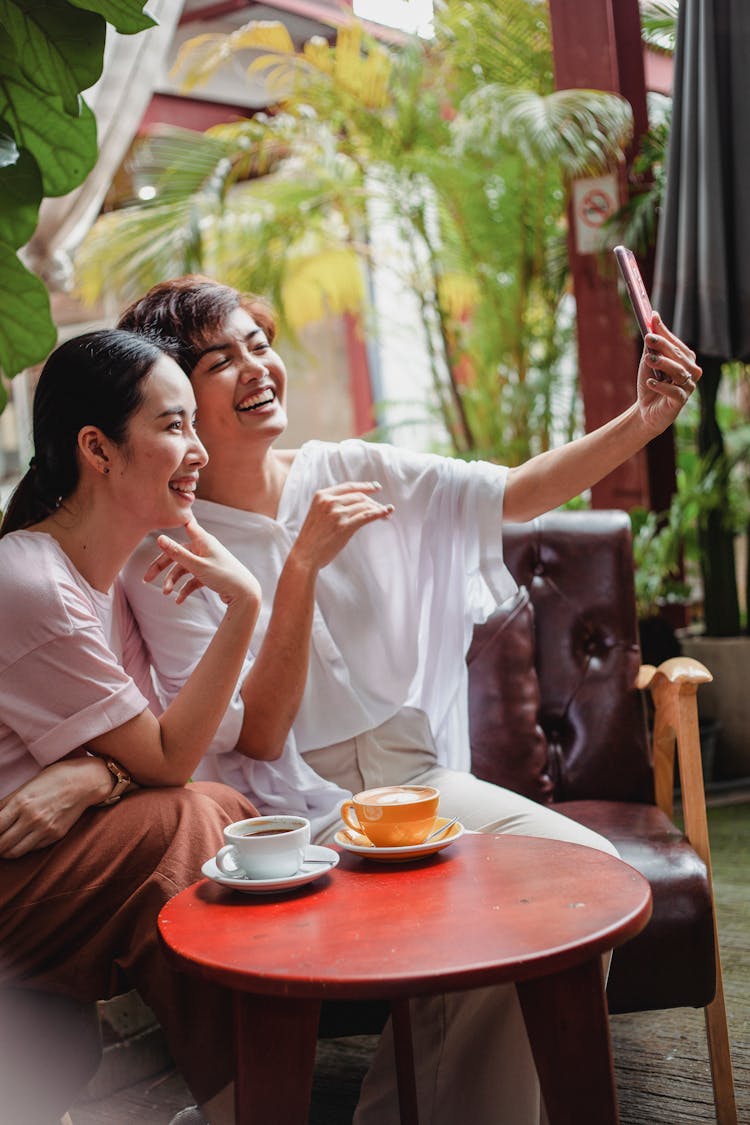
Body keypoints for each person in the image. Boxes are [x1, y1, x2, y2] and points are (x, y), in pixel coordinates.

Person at [113, 275, 700, 1124]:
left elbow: (513, 492)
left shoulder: (350, 466)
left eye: (257, 343)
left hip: (411, 786)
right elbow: (257, 729)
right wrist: (300, 567)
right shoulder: (164, 554)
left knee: (579, 884)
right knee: (477, 919)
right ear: (175, 397)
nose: (256, 367)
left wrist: (644, 417)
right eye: (219, 360)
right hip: (288, 813)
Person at [0, 329, 264, 1125]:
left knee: (209, 825)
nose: (198, 451)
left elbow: (146, 757)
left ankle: (246, 1096)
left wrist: (96, 775)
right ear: (97, 449)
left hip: (47, 860)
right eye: (174, 425)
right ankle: (248, 1102)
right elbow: (170, 758)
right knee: (191, 819)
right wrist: (245, 603)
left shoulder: (106, 585)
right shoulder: (32, 583)